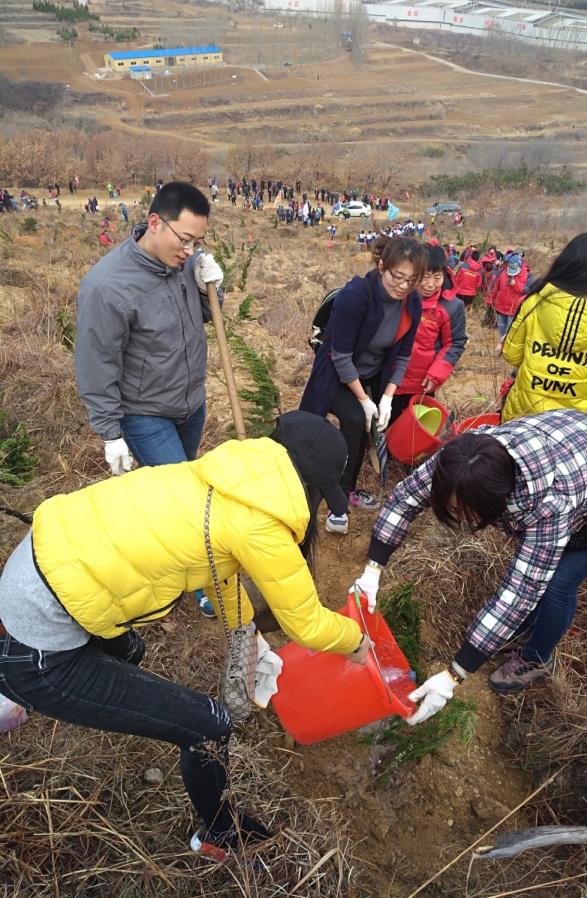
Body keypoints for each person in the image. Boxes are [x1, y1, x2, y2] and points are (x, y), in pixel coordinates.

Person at [0, 412, 370, 860]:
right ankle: (219, 833)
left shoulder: (221, 477)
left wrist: (243, 628)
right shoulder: (263, 524)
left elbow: (216, 568)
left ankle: (10, 681)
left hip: (33, 573)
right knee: (207, 725)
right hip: (42, 642)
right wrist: (356, 642)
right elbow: (306, 623)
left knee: (130, 648)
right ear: (312, 488)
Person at [350, 409, 587, 721]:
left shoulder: (550, 506)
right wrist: (373, 568)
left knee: (555, 583)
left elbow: (520, 590)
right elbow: (405, 498)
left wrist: (454, 675)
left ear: (497, 503)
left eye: (464, 511)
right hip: (580, 436)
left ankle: (537, 657)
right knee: (539, 572)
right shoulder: (464, 459)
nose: (457, 515)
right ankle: (520, 629)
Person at [75, 182, 224, 618]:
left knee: (180, 487)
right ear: (155, 223)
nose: (191, 250)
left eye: (199, 242)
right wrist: (109, 432)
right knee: (187, 500)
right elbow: (95, 363)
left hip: (189, 402)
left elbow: (204, 316)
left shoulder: (182, 263)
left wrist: (207, 287)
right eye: (185, 240)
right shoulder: (107, 287)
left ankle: (164, 547)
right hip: (145, 413)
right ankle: (198, 580)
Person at [300, 237, 424, 534]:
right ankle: (331, 500)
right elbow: (340, 355)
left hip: (374, 375)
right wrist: (365, 400)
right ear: (382, 266)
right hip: (336, 373)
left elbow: (403, 355)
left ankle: (346, 490)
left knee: (373, 424)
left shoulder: (412, 302)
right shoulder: (357, 295)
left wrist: (387, 397)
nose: (403, 286)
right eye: (397, 276)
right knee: (356, 419)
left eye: (411, 280)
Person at [500, 233, 587, 422]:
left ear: (565, 264)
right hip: (575, 421)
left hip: (524, 412)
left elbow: (511, 355)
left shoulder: (535, 303)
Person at [391, 243, 467, 420]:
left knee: (414, 427)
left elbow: (454, 343)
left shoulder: (451, 306)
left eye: (437, 277)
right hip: (390, 377)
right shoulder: (399, 295)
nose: (430, 284)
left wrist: (436, 374)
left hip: (423, 382)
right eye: (425, 277)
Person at [492, 253, 528, 338]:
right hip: (500, 307)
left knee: (510, 333)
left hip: (513, 309)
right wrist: (492, 300)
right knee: (501, 330)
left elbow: (527, 290)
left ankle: (506, 347)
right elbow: (495, 287)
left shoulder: (526, 275)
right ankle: (501, 345)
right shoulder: (502, 272)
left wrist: (515, 284)